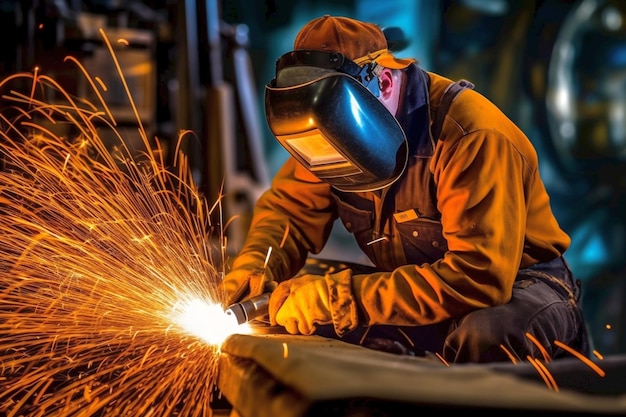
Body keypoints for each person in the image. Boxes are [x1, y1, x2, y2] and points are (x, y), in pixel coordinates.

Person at [219, 14, 590, 363]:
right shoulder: (325, 130)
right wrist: (257, 266)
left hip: (519, 286)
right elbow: (290, 214)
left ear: (382, 82)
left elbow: (479, 277)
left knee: (486, 334)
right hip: (414, 285)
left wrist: (345, 299)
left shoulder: (470, 136)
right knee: (279, 305)